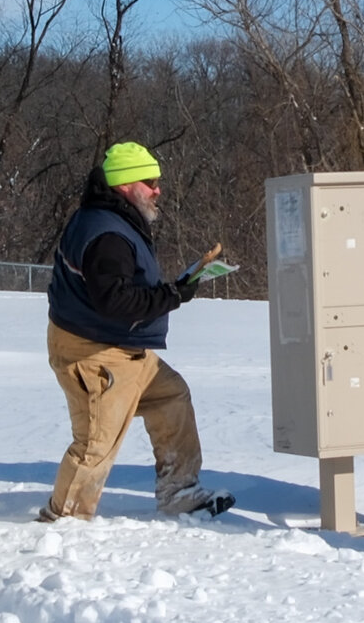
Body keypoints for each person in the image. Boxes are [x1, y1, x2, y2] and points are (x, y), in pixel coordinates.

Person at [40, 141, 234, 522]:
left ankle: (181, 492)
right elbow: (114, 302)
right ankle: (62, 522)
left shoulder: (112, 220)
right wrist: (172, 295)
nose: (157, 189)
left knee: (171, 397)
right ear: (125, 185)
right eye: (149, 181)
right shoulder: (107, 235)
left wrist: (172, 291)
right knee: (97, 442)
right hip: (96, 353)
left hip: (124, 349)